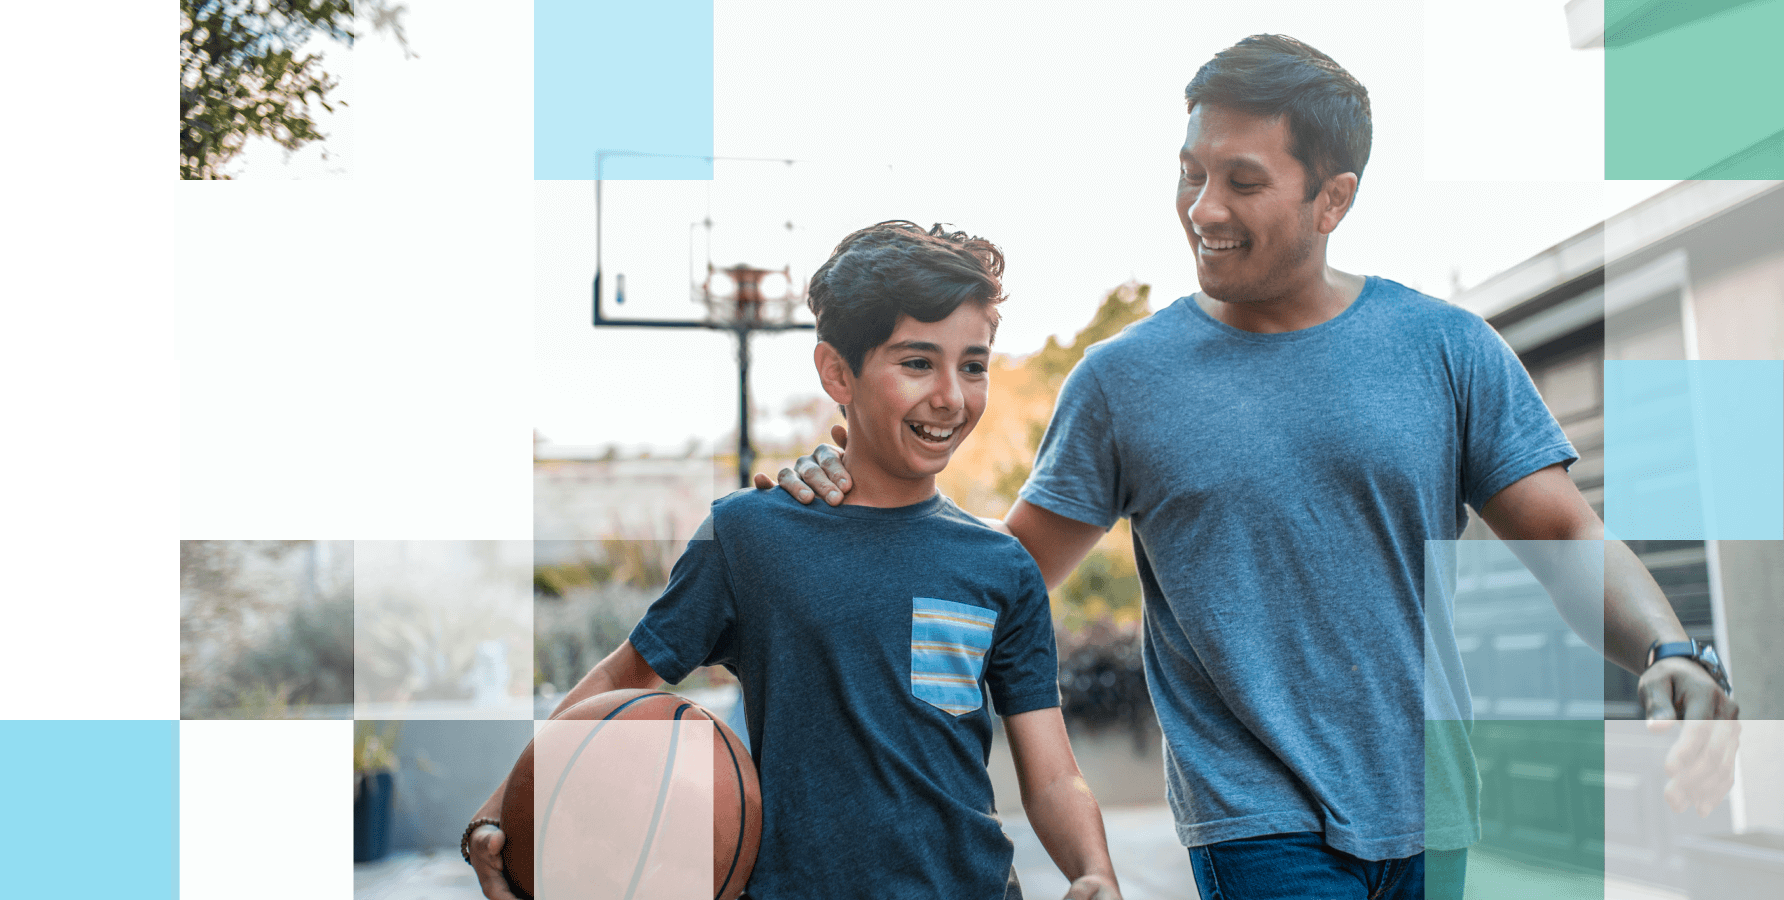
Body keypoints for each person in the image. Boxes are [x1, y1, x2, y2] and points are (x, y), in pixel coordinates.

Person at [763, 35, 1740, 900]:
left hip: (1433, 807)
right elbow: (998, 577)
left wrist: (1668, 649)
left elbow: (1564, 533)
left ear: (1332, 198)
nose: (1200, 208)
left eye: (1239, 180)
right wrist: (845, 501)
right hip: (1255, 824)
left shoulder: (1443, 349)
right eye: (1188, 173)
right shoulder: (1122, 381)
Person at [467, 221, 1123, 900]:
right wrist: (500, 808)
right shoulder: (747, 535)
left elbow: (1050, 775)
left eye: (975, 365)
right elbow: (622, 679)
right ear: (837, 371)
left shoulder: (1000, 566)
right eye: (918, 362)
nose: (952, 397)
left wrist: (1094, 870)